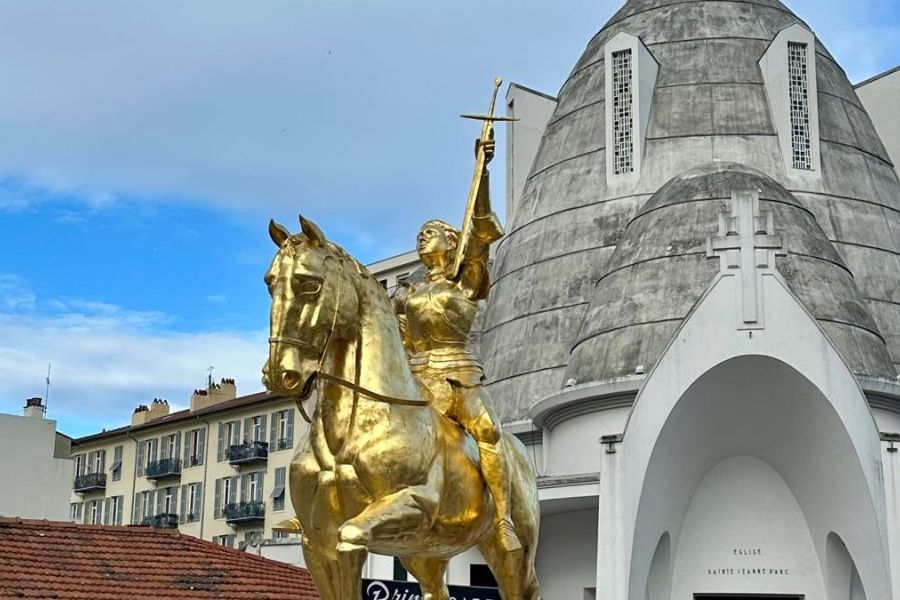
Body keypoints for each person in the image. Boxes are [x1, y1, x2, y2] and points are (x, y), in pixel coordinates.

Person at [393, 136, 521, 552]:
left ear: (451, 242)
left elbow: (482, 230)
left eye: (430, 233)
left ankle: (502, 516)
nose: (421, 237)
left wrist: (482, 169)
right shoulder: (408, 293)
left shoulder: (465, 283)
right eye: (418, 234)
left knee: (487, 432)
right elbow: (401, 339)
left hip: (459, 375)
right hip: (418, 379)